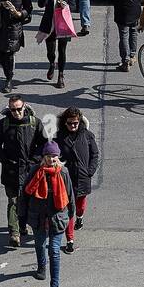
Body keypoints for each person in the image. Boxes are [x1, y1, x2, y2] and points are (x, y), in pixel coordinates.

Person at [20, 141, 74, 287]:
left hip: (56, 220)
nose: (52, 159)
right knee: (39, 244)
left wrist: (70, 217)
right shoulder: (36, 171)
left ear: (58, 157)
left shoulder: (63, 172)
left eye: (54, 156)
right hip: (38, 219)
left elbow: (70, 197)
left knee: (55, 252)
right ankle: (41, 267)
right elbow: (25, 195)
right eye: (49, 156)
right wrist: (22, 217)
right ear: (44, 157)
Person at [0, 94, 46, 248]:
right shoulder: (4, 124)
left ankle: (23, 226)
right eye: (13, 110)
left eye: (18, 109)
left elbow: (43, 144)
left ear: (24, 106)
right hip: (11, 171)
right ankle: (14, 233)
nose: (16, 112)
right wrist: (5, 161)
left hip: (30, 171)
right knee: (13, 201)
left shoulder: (35, 123)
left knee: (29, 201)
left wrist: (34, 160)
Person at [55, 107, 99, 252]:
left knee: (79, 206)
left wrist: (89, 172)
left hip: (83, 178)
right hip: (66, 180)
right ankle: (70, 240)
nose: (73, 126)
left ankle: (80, 218)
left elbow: (95, 155)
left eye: (75, 123)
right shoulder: (59, 137)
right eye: (70, 123)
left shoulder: (87, 135)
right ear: (64, 123)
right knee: (69, 210)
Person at [36, 0, 76, 89]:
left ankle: (61, 75)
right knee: (50, 51)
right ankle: (52, 63)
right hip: (49, 24)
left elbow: (74, 6)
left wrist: (66, 6)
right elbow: (40, 4)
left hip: (63, 23)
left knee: (62, 50)